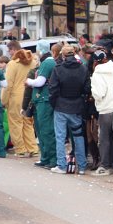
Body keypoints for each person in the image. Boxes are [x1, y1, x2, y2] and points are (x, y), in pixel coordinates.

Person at [48, 45, 90, 175]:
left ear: (63, 55)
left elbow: (53, 89)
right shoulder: (83, 68)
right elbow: (87, 89)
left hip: (61, 105)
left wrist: (54, 103)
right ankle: (81, 166)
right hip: (76, 105)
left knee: (60, 136)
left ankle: (61, 165)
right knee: (78, 136)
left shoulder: (58, 69)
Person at [89, 49, 113, 176]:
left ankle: (105, 165)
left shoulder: (97, 74)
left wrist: (93, 95)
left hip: (105, 110)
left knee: (104, 139)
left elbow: (99, 93)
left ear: (95, 62)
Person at [26, 40, 58, 169]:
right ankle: (45, 157)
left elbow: (40, 82)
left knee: (47, 131)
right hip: (41, 101)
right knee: (41, 131)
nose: (36, 52)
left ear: (41, 50)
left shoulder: (47, 63)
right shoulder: (46, 62)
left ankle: (52, 159)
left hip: (44, 100)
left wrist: (28, 81)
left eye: (37, 49)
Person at [2, 48, 38, 157]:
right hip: (29, 96)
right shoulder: (33, 63)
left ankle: (20, 149)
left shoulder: (12, 64)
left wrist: (3, 100)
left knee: (15, 124)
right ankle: (33, 148)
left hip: (15, 97)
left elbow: (8, 85)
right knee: (28, 123)